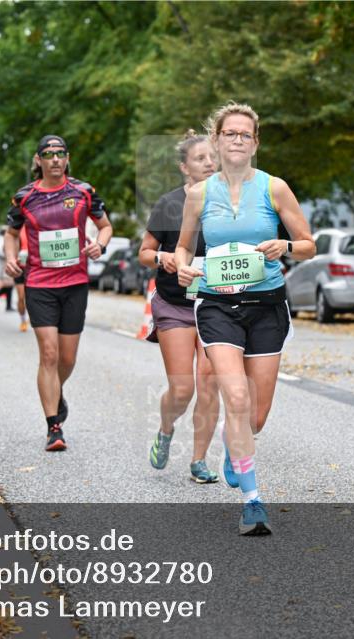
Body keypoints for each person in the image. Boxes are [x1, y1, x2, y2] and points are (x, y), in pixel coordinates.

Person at [176, 102, 315, 535]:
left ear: (255, 143)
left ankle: (232, 444)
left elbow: (308, 243)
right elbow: (183, 246)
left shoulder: (275, 189)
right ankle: (253, 502)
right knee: (234, 397)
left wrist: (285, 247)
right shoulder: (198, 195)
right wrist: (184, 266)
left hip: (267, 305)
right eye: (229, 133)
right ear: (216, 141)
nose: (237, 140)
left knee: (254, 417)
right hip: (217, 305)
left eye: (245, 135)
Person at [4, 135, 112, 451]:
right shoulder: (24, 197)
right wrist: (11, 258)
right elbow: (11, 235)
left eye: (60, 154)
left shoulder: (83, 191)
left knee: (67, 357)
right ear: (38, 160)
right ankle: (54, 426)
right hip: (39, 282)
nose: (54, 159)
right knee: (48, 354)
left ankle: (56, 390)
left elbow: (106, 226)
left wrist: (100, 244)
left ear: (67, 158)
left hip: (75, 283)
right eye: (48, 154)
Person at [138, 130, 221, 484]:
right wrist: (163, 257)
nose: (208, 164)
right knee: (183, 388)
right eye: (200, 159)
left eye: (211, 157)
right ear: (184, 167)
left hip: (217, 304)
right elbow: (144, 252)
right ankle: (166, 428)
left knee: (210, 383)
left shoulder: (230, 203)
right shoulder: (169, 204)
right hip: (175, 304)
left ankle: (199, 460)